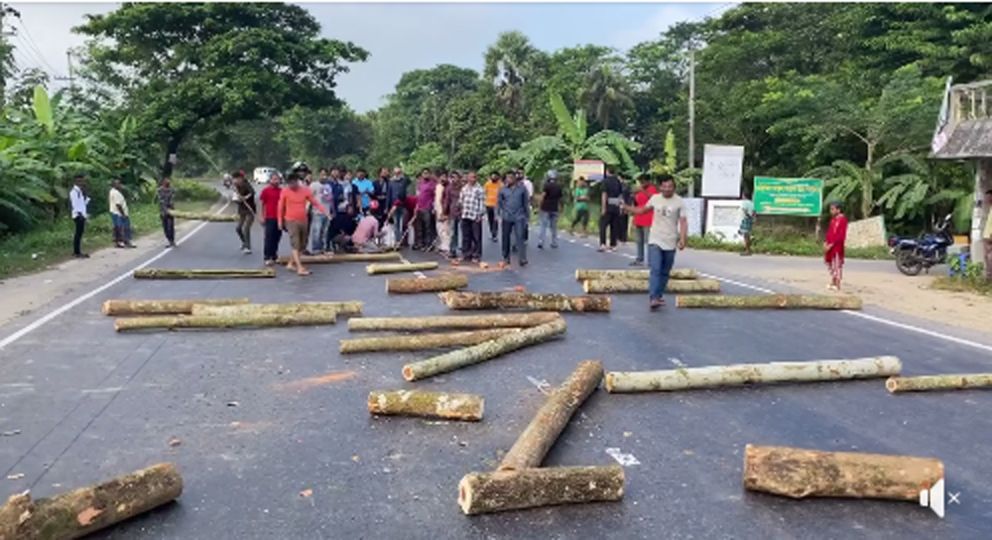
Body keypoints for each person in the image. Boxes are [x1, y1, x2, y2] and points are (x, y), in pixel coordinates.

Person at [623, 175, 687, 310]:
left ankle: (658, 295)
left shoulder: (679, 202)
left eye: (670, 186)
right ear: (660, 187)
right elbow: (642, 210)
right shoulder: (655, 198)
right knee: (655, 268)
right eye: (664, 186)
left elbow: (683, 222)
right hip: (655, 239)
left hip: (670, 240)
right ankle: (653, 298)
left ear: (674, 187)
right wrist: (627, 207)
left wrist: (682, 239)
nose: (667, 189)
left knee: (665, 271)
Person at [278, 173, 329, 276]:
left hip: (303, 220)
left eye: (294, 182)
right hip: (291, 220)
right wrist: (280, 221)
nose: (292, 185)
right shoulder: (285, 191)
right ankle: (299, 268)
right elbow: (280, 207)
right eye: (290, 183)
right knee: (295, 244)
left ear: (297, 181)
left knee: (302, 245)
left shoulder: (305, 190)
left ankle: (291, 263)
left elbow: (314, 202)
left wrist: (325, 212)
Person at [498, 171, 529, 268]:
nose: (509, 180)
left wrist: (527, 216)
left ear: (515, 179)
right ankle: (505, 257)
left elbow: (525, 203)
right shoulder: (503, 190)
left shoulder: (522, 189)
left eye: (511, 178)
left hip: (519, 216)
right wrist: (500, 213)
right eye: (507, 178)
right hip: (507, 216)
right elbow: (499, 202)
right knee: (505, 237)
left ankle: (522, 258)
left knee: (520, 237)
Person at [458, 171, 485, 263]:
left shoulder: (479, 189)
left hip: (475, 215)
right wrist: (461, 211)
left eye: (474, 177)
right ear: (468, 178)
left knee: (476, 237)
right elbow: (461, 201)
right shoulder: (464, 188)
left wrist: (480, 215)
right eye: (470, 177)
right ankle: (466, 253)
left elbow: (482, 203)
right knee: (466, 236)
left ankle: (476, 255)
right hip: (465, 214)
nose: (472, 179)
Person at [631, 175, 658, 266]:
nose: (642, 184)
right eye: (640, 182)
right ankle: (639, 258)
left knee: (649, 241)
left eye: (643, 182)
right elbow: (635, 202)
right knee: (639, 240)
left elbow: (653, 199)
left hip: (648, 218)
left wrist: (643, 190)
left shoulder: (652, 189)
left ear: (648, 181)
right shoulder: (638, 191)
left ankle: (651, 260)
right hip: (638, 217)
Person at [259, 173, 284, 265]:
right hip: (269, 217)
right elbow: (261, 204)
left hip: (280, 217)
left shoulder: (282, 191)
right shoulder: (266, 191)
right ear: (270, 180)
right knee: (269, 237)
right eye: (274, 179)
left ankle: (274, 255)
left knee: (277, 237)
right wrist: (261, 216)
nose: (276, 181)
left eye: (277, 179)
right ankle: (267, 256)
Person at [824, 201, 848, 291]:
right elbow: (830, 232)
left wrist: (832, 244)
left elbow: (841, 235)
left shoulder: (842, 220)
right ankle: (833, 282)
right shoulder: (833, 220)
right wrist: (826, 242)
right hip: (830, 245)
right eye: (831, 209)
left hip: (837, 247)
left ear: (838, 210)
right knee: (831, 264)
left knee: (837, 265)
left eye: (833, 209)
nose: (831, 211)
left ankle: (837, 284)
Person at [599, 169, 624, 252]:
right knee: (614, 226)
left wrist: (603, 208)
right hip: (616, 205)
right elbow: (620, 195)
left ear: (607, 172)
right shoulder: (618, 181)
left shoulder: (605, 181)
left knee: (603, 226)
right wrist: (621, 207)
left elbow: (604, 194)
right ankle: (613, 245)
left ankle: (603, 244)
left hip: (608, 205)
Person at [537, 170, 563, 249]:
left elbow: (543, 197)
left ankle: (541, 241)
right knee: (554, 227)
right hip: (554, 208)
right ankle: (554, 242)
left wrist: (539, 206)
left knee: (543, 226)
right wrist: (561, 208)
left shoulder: (546, 185)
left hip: (545, 208)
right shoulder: (558, 187)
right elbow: (560, 199)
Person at [232, 171, 256, 254]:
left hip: (250, 210)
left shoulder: (246, 184)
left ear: (241, 178)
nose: (236, 180)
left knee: (246, 228)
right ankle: (244, 242)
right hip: (242, 210)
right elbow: (235, 198)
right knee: (238, 228)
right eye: (234, 179)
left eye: (237, 178)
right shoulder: (235, 186)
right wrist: (237, 200)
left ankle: (248, 247)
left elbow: (252, 193)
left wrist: (245, 198)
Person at [386, 167, 411, 246]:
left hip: (403, 205)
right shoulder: (391, 182)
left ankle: (404, 240)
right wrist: (387, 207)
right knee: (396, 223)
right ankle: (398, 240)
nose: (397, 174)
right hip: (394, 205)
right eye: (396, 173)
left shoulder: (404, 181)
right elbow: (388, 195)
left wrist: (404, 173)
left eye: (398, 172)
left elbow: (409, 180)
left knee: (403, 223)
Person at [108, 179, 135, 248]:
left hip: (114, 212)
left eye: (120, 183)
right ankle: (127, 241)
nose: (119, 185)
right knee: (124, 227)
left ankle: (117, 242)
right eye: (117, 184)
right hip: (119, 213)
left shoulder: (112, 191)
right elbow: (118, 204)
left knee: (117, 227)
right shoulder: (116, 193)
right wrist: (123, 214)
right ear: (114, 185)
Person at [414, 170, 437, 251]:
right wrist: (416, 207)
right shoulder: (420, 184)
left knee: (428, 227)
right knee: (420, 227)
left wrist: (434, 207)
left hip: (428, 208)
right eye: (424, 173)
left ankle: (429, 244)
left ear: (429, 174)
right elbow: (418, 196)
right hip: (420, 207)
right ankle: (420, 243)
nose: (425, 175)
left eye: (427, 173)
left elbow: (435, 197)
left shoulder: (432, 184)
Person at [69, 174, 90, 258]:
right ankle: (76, 252)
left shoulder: (80, 191)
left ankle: (78, 251)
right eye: (79, 181)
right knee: (78, 234)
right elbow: (75, 205)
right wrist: (80, 215)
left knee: (80, 233)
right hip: (78, 215)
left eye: (82, 181)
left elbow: (82, 204)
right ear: (75, 181)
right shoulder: (74, 192)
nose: (81, 183)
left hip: (82, 215)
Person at [444, 171, 464, 258]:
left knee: (465, 232)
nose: (453, 179)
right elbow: (447, 201)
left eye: (455, 177)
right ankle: (453, 250)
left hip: (463, 212)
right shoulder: (449, 188)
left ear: (459, 178)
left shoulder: (463, 188)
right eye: (452, 177)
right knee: (453, 232)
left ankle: (465, 250)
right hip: (453, 212)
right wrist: (445, 212)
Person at [157, 178, 177, 248]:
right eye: (166, 183)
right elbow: (161, 201)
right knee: (165, 227)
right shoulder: (159, 190)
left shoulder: (172, 190)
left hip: (171, 211)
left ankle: (172, 240)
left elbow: (172, 199)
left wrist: (170, 207)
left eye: (168, 183)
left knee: (170, 227)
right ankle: (169, 240)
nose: (168, 184)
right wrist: (165, 209)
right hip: (163, 211)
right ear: (163, 183)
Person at [434, 171, 450, 255]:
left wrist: (444, 213)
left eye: (444, 177)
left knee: (445, 229)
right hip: (438, 210)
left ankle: (447, 247)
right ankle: (442, 245)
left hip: (444, 211)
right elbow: (437, 200)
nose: (443, 179)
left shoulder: (448, 187)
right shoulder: (438, 186)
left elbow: (446, 201)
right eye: (441, 177)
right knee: (439, 229)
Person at [484, 172, 502, 242]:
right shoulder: (487, 184)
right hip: (488, 204)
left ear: (498, 177)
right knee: (490, 219)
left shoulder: (500, 185)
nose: (494, 177)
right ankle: (492, 232)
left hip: (496, 205)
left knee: (495, 220)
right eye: (493, 176)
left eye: (495, 176)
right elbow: (484, 193)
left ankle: (495, 234)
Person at [739, 191, 756, 256]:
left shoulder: (744, 203)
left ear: (744, 196)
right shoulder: (752, 203)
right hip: (750, 220)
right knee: (747, 235)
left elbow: (744, 210)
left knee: (746, 236)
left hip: (746, 219)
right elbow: (754, 212)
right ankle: (748, 249)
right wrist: (752, 218)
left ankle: (747, 250)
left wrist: (748, 216)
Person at [984, 189, 992, 280]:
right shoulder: (990, 208)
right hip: (987, 236)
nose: (987, 199)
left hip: (990, 237)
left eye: (989, 197)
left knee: (990, 257)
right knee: (987, 257)